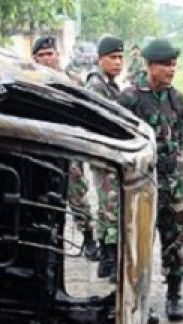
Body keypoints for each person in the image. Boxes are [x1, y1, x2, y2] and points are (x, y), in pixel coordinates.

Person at [119, 38, 183, 322]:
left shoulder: (176, 98)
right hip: (143, 183)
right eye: (166, 65)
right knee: (140, 245)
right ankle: (141, 300)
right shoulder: (130, 98)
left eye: (174, 64)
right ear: (150, 66)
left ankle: (174, 296)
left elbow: (180, 136)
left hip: (171, 182)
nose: (171, 70)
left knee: (175, 241)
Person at [32, 36, 100, 261]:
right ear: (34, 58)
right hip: (41, 149)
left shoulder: (71, 82)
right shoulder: (28, 82)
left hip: (69, 148)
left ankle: (89, 239)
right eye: (41, 56)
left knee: (77, 195)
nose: (46, 59)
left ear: (57, 55)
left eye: (49, 54)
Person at [84, 36, 125, 280]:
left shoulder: (108, 83)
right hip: (105, 154)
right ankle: (111, 260)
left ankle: (106, 262)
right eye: (113, 58)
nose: (118, 62)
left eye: (121, 58)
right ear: (101, 59)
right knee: (111, 208)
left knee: (106, 207)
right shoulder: (96, 85)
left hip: (108, 154)